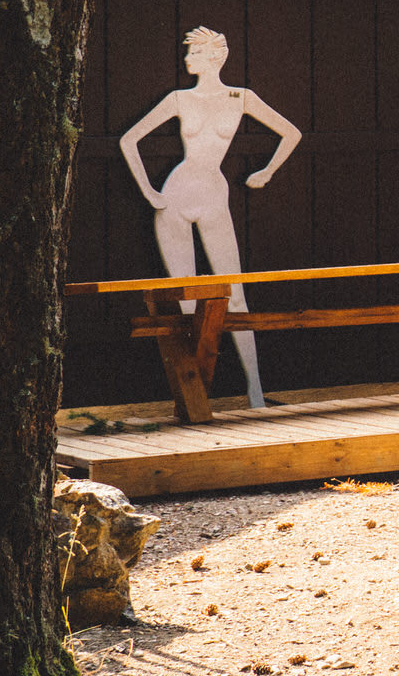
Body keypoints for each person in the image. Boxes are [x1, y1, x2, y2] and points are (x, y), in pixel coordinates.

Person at [118, 26, 303, 408]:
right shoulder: (179, 99)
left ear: (214, 57)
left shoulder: (240, 97)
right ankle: (194, 394)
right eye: (187, 54)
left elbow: (291, 133)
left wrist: (266, 171)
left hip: (214, 193)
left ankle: (255, 391)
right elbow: (128, 139)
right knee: (186, 297)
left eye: (194, 54)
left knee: (234, 291)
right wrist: (150, 192)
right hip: (177, 194)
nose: (187, 60)